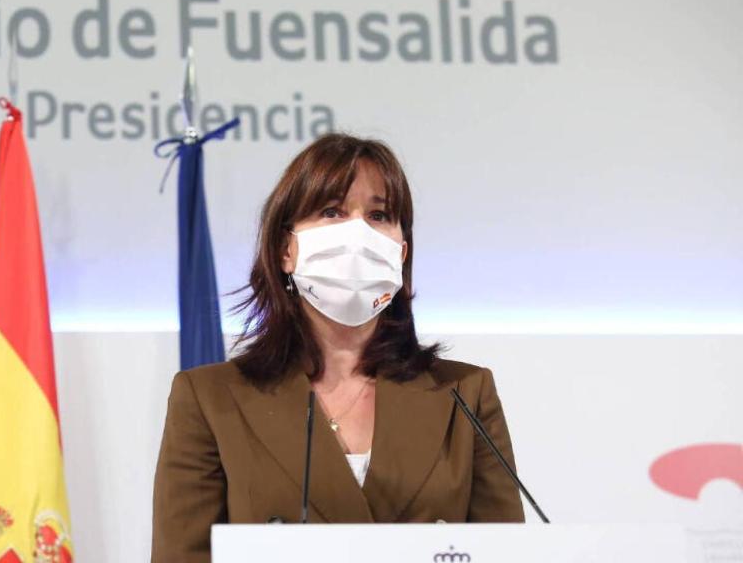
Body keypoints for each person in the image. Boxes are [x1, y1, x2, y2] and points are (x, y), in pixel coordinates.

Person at [152, 133, 524, 563]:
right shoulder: (210, 398)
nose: (357, 233)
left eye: (379, 214)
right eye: (332, 211)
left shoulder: (466, 393)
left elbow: (505, 553)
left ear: (401, 252)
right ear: (285, 250)